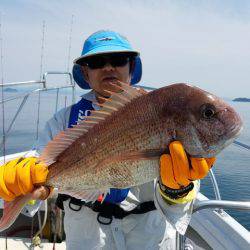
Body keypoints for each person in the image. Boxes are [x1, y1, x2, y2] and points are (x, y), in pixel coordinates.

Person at [0, 30, 215, 249]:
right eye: (96, 62)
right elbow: (39, 169)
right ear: (85, 72)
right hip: (88, 240)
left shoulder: (162, 113)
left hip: (148, 239)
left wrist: (176, 190)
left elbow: (177, 208)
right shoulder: (63, 121)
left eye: (118, 60)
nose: (108, 67)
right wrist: (21, 184)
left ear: (131, 66)